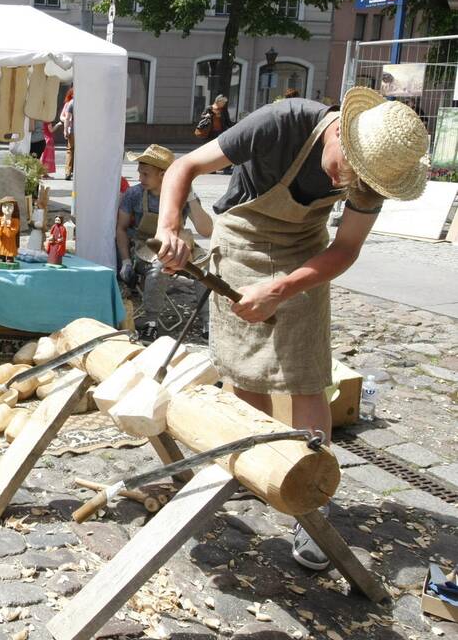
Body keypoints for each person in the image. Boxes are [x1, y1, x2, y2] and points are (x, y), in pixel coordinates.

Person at [155, 88, 429, 571]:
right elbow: (183, 168)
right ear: (342, 130)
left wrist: (281, 289)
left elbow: (344, 251)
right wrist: (170, 226)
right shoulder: (282, 123)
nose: (348, 181)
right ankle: (250, 471)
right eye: (348, 166)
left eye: (361, 179)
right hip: (240, 244)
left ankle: (312, 500)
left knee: (306, 378)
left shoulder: (374, 175)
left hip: (305, 255)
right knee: (244, 372)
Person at [117, 144, 213, 343]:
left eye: (145, 174)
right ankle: (151, 322)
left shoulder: (182, 195)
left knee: (206, 267)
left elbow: (206, 230)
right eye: (139, 174)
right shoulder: (134, 195)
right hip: (145, 248)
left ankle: (208, 322)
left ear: (163, 175)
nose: (140, 179)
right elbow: (121, 228)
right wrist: (126, 261)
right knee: (160, 264)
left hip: (179, 245)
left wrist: (191, 196)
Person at [56, 87, 75, 180]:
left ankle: (68, 172)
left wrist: (66, 129)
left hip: (73, 130)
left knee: (70, 150)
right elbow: (63, 117)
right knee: (72, 150)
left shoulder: (71, 103)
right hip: (74, 130)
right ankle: (69, 172)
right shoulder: (69, 103)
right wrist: (67, 124)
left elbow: (66, 118)